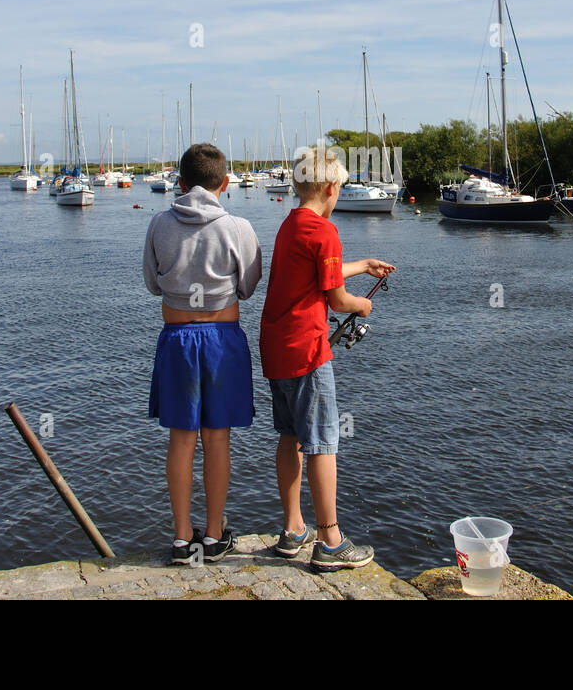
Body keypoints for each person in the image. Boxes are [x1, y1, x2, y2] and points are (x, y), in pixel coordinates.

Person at [259, 144, 396, 570]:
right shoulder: (325, 231)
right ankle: (330, 540)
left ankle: (293, 529)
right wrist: (362, 306)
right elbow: (336, 299)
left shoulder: (290, 225)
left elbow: (316, 274)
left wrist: (362, 265)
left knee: (289, 436)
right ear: (329, 186)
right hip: (308, 352)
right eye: (340, 188)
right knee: (322, 443)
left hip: (277, 349)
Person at [143, 143, 261, 564]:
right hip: (222, 339)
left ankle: (180, 539)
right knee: (217, 440)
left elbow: (152, 284)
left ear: (180, 183)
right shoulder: (239, 228)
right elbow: (247, 287)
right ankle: (213, 536)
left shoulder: (159, 224)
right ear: (225, 184)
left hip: (176, 339)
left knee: (180, 441)